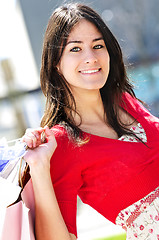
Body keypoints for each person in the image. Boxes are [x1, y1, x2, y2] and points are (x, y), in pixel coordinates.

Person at [22, 2, 159, 240]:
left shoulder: (124, 101)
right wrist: (40, 168)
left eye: (98, 45)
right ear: (56, 62)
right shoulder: (61, 143)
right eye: (75, 49)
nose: (91, 57)